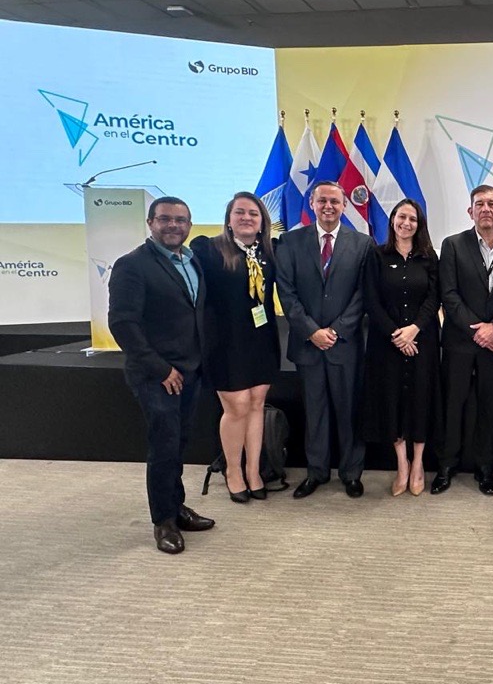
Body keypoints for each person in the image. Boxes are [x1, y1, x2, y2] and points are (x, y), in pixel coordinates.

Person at [108, 196, 215, 554]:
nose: (173, 225)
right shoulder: (132, 265)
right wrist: (160, 368)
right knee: (164, 447)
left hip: (191, 370)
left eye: (181, 220)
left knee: (179, 443)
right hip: (157, 375)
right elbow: (122, 323)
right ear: (151, 223)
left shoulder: (191, 260)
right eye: (165, 219)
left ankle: (177, 506)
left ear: (189, 225)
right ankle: (164, 522)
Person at [276, 181, 373, 500]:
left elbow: (364, 293)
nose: (328, 206)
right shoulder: (290, 241)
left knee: (349, 412)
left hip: (345, 345)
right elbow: (286, 292)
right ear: (312, 204)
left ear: (344, 205)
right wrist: (311, 331)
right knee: (314, 412)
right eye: (322, 201)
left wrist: (337, 330)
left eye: (335, 201)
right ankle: (316, 471)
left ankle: (351, 473)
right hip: (308, 345)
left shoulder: (362, 243)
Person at [432, 185, 493, 496]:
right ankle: (446, 466)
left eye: (491, 204)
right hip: (459, 343)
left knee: (490, 409)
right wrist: (478, 332)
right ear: (470, 211)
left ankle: (485, 469)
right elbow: (449, 295)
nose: (486, 209)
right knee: (452, 406)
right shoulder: (453, 245)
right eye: (479, 204)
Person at [190, 192, 280, 504]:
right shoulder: (207, 249)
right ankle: (233, 471)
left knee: (256, 404)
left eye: (253, 213)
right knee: (237, 407)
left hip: (261, 339)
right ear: (229, 219)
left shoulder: (269, 252)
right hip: (225, 343)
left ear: (262, 222)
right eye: (239, 212)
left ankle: (254, 471)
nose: (246, 218)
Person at [362, 198, 442, 497]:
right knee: (392, 400)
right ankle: (402, 464)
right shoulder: (377, 255)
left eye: (412, 219)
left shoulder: (429, 257)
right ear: (392, 219)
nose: (406, 223)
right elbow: (371, 300)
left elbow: (434, 298)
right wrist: (397, 335)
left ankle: (418, 463)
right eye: (401, 217)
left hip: (423, 341)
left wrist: (414, 330)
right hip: (387, 344)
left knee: (421, 399)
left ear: (419, 225)